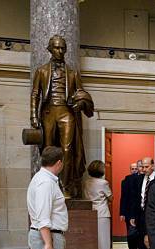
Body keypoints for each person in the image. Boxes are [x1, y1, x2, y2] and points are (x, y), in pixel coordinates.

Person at [30, 35, 94, 199]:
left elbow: (81, 93)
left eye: (63, 48)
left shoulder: (72, 73)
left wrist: (80, 103)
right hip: (48, 112)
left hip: (67, 112)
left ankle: (65, 187)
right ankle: (50, 186)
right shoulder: (42, 70)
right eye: (57, 48)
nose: (60, 51)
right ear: (50, 49)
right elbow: (35, 94)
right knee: (48, 150)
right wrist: (33, 116)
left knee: (67, 149)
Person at [83, 160, 113, 249]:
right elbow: (110, 197)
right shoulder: (103, 183)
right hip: (102, 213)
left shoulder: (86, 182)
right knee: (103, 240)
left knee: (92, 239)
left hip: (90, 212)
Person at [120, 162, 140, 249]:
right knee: (131, 235)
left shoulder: (142, 180)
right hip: (129, 212)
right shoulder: (125, 181)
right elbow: (123, 197)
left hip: (140, 213)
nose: (134, 170)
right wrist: (122, 213)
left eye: (136, 168)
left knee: (140, 235)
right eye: (132, 169)